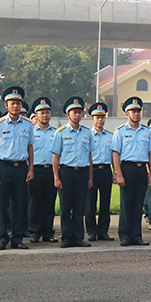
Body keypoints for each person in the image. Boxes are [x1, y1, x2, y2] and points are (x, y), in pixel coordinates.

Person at [0, 86, 35, 250]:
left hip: (21, 168)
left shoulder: (28, 124)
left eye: (18, 103)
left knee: (19, 204)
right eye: (12, 103)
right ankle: (2, 237)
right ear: (6, 105)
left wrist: (30, 169)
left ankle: (16, 238)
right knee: (2, 205)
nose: (15, 106)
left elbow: (30, 148)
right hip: (4, 168)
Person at [112, 96, 151, 246]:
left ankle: (136, 235)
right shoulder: (120, 131)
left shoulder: (146, 131)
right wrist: (119, 174)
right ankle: (124, 235)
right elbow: (116, 154)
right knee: (126, 204)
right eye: (133, 111)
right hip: (127, 168)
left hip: (141, 169)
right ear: (127, 114)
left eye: (138, 111)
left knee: (138, 204)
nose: (136, 114)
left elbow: (150, 154)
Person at [52, 96, 94, 248]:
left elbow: (90, 157)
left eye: (79, 112)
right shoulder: (60, 133)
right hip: (66, 172)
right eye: (74, 112)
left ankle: (78, 237)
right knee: (65, 207)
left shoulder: (87, 133)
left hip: (82, 173)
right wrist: (56, 177)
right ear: (67, 114)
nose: (77, 115)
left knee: (79, 207)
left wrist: (90, 177)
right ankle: (66, 237)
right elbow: (55, 157)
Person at [27, 97, 57, 243]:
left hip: (52, 171)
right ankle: (34, 232)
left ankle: (48, 232)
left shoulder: (56, 133)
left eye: (47, 112)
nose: (45, 115)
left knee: (49, 203)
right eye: (41, 113)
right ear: (36, 115)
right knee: (34, 203)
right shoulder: (30, 132)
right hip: (35, 170)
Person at [87, 102, 114, 241]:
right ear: (92, 119)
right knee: (90, 202)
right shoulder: (87, 135)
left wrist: (116, 172)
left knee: (105, 202)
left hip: (106, 171)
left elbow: (115, 156)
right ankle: (91, 231)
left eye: (102, 117)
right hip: (92, 170)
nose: (100, 120)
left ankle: (103, 231)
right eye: (97, 117)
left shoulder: (110, 136)